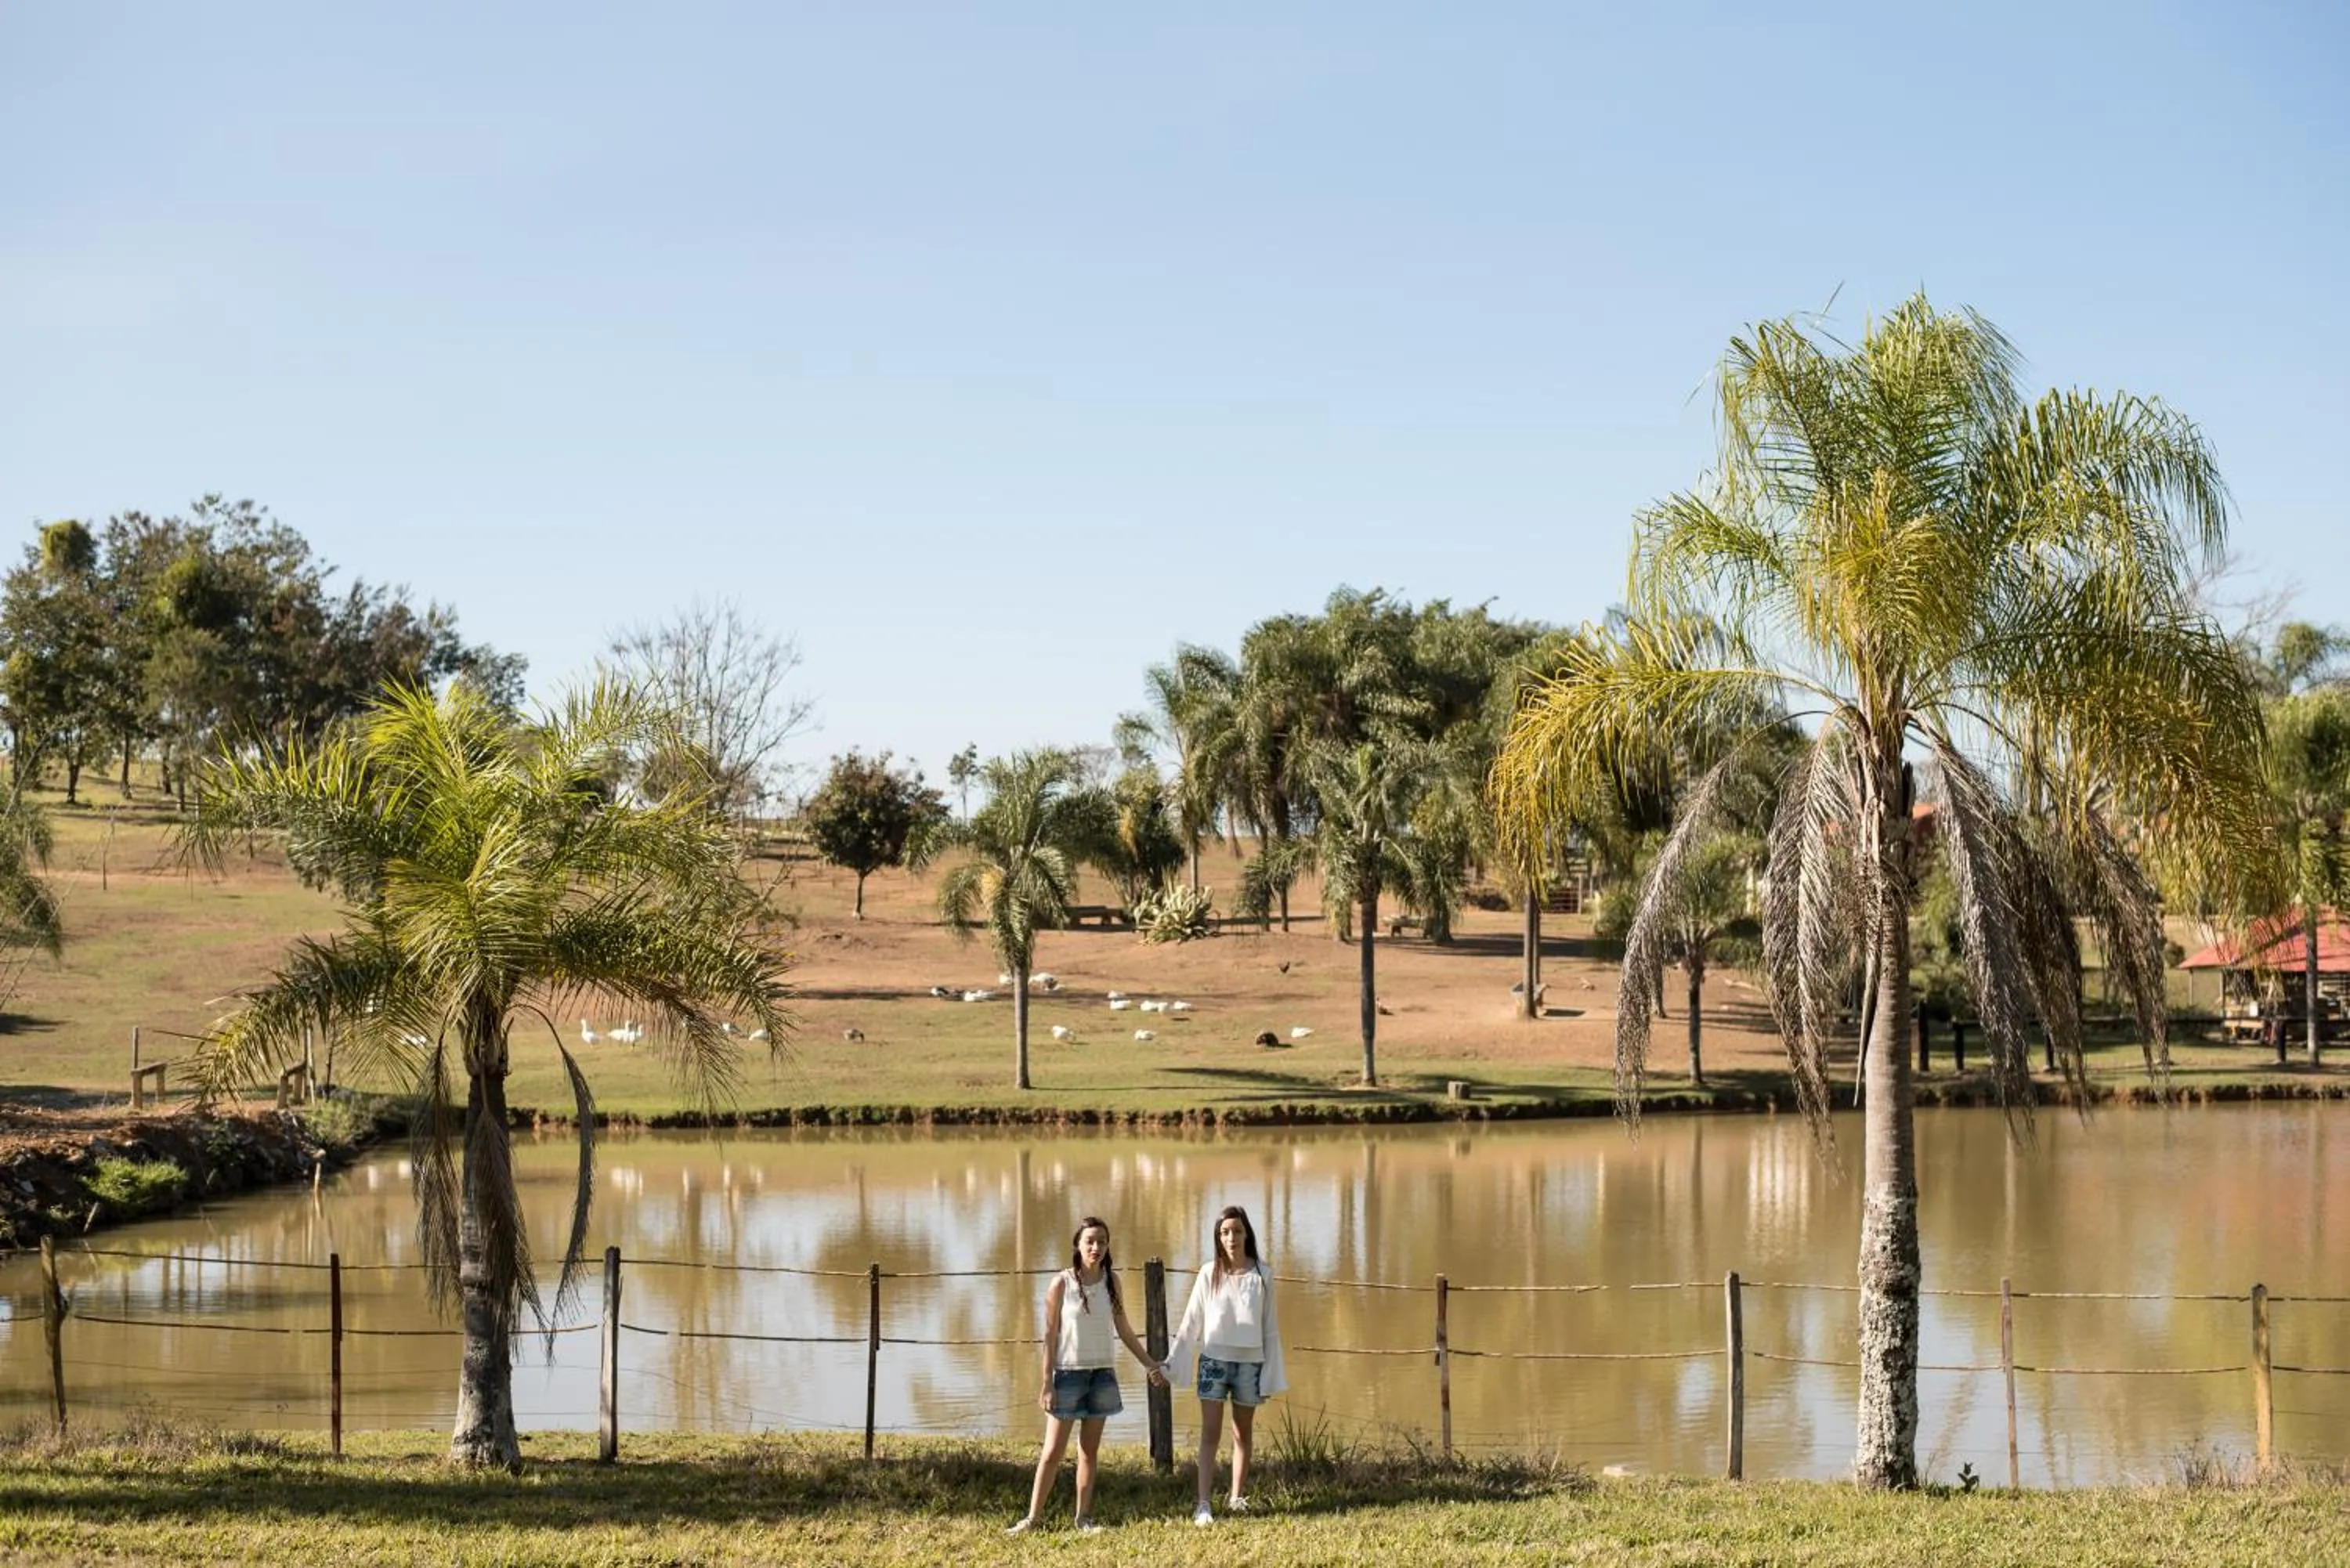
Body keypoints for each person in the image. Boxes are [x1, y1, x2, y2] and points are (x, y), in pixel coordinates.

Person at [1007, 1216, 1166, 1536]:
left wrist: (1150, 1363)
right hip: (1067, 1376)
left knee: (1089, 1452)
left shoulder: (1112, 1282)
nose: (1096, 1247)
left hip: (1101, 1376)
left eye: (1103, 1242)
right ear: (1077, 1245)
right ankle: (1032, 1519)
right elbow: (1050, 1335)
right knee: (1052, 1453)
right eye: (1090, 1241)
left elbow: (1123, 1329)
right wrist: (1047, 1383)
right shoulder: (1061, 1283)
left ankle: (1083, 1519)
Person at [1162, 1205, 1286, 1526]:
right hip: (1214, 1364)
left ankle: (1237, 1497)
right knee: (1210, 1434)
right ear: (1218, 1237)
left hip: (1251, 1366)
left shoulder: (1264, 1274)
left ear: (1247, 1234)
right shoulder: (1208, 1273)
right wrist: (1172, 1364)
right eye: (1225, 1232)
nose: (1232, 1237)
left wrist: (1272, 1374)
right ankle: (1203, 1504)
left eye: (1237, 1231)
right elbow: (1191, 1323)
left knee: (1242, 1434)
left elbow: (1270, 1328)